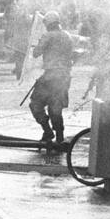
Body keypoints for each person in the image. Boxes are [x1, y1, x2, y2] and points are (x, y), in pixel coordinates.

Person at [29, 10, 76, 147]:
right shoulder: (67, 36)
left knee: (36, 104)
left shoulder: (48, 36)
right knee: (56, 107)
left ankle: (48, 131)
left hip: (50, 77)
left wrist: (36, 45)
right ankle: (60, 137)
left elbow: (36, 52)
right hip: (64, 77)